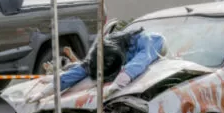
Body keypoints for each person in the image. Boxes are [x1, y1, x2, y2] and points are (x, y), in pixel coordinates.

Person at [27, 27, 165, 103]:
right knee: (85, 72)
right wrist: (116, 85)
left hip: (107, 52)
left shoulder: (143, 40)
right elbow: (140, 62)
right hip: (113, 57)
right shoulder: (154, 42)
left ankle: (50, 84)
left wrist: (43, 93)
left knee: (83, 69)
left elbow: (139, 62)